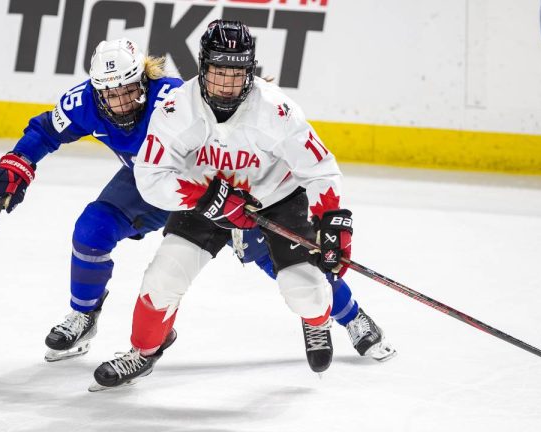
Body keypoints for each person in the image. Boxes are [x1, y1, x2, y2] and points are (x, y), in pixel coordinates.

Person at [0, 37, 395, 371]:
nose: (121, 104)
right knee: (92, 231)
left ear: (144, 80)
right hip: (156, 184)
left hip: (216, 186)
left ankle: (349, 315)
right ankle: (83, 315)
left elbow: (245, 137)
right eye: (111, 95)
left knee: (286, 262)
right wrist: (17, 164)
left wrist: (237, 194)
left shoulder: (173, 98)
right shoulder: (86, 103)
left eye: (129, 91)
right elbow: (44, 131)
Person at [91, 20, 385, 390]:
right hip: (206, 197)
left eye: (236, 74)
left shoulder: (277, 110)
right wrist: (202, 197)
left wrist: (334, 220)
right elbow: (150, 176)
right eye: (218, 73)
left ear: (250, 72)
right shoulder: (176, 108)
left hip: (276, 199)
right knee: (162, 277)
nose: (226, 85)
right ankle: (143, 351)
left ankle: (316, 320)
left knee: (304, 288)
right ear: (202, 67)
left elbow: (319, 167)